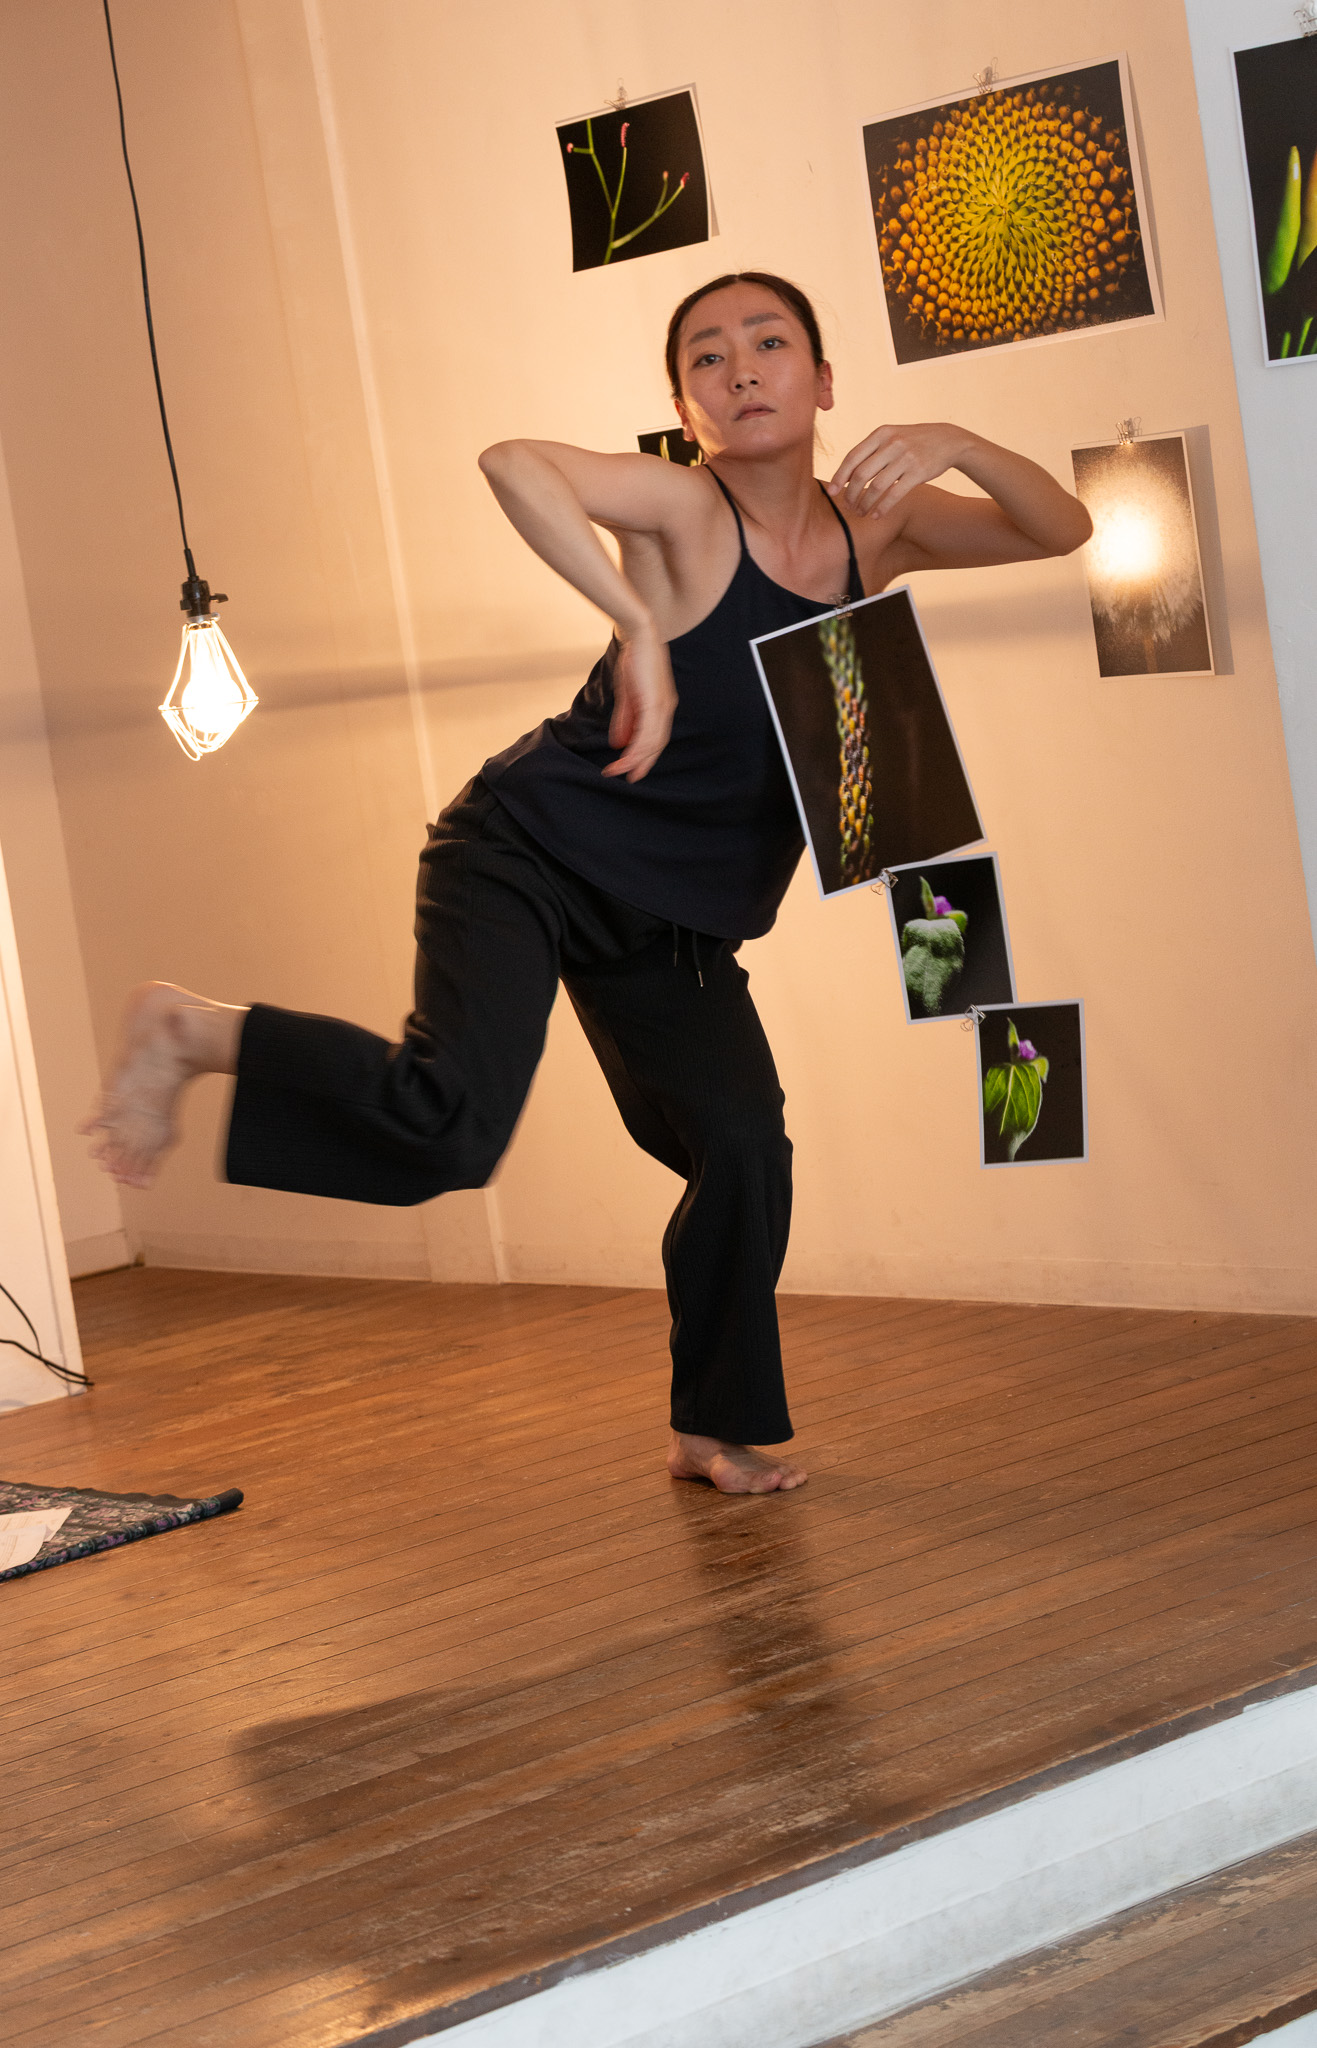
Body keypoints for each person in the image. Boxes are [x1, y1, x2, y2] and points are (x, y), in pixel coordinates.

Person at [81, 271, 1091, 1495]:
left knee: (743, 1144)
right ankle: (190, 1032)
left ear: (825, 382)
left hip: (671, 924)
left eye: (770, 343)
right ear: (687, 406)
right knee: (448, 1128)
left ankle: (709, 1426)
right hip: (526, 851)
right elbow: (513, 462)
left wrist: (963, 440)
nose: (742, 368)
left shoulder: (880, 527)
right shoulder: (681, 510)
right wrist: (635, 619)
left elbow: (1063, 528)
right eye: (707, 357)